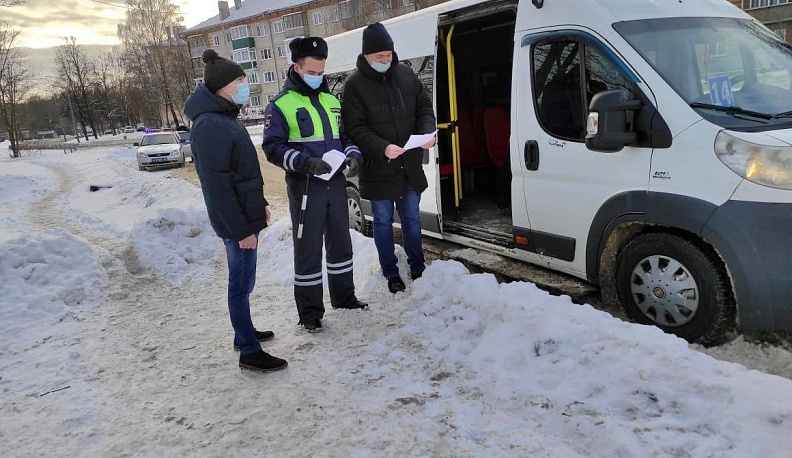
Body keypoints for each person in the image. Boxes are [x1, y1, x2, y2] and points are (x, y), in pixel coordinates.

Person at [183, 49, 287, 373]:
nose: (245, 84)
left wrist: (261, 207)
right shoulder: (211, 125)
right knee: (240, 284)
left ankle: (244, 334)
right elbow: (217, 186)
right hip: (235, 223)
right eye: (240, 80)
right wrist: (242, 229)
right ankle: (249, 352)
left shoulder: (223, 117)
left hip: (244, 215)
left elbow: (243, 173)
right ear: (224, 85)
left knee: (245, 281)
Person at [262, 36, 368, 333]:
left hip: (335, 183)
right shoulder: (281, 104)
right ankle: (310, 314)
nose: (317, 77)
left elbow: (345, 137)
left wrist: (353, 154)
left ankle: (344, 297)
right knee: (308, 250)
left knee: (341, 243)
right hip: (306, 188)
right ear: (297, 68)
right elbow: (272, 148)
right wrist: (303, 161)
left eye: (321, 73)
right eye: (312, 73)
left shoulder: (332, 101)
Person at [341, 22, 437, 294]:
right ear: (366, 56)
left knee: (411, 218)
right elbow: (355, 128)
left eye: (389, 55)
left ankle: (418, 266)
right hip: (378, 166)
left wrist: (427, 131)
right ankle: (391, 271)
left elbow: (424, 108)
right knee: (382, 221)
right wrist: (382, 147)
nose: (386, 60)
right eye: (379, 57)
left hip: (408, 163)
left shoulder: (406, 74)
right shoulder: (354, 85)